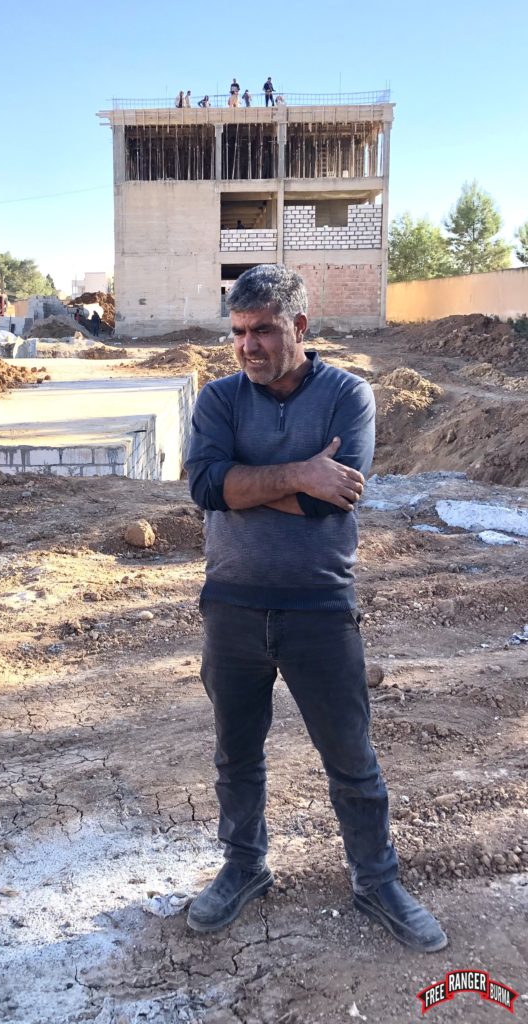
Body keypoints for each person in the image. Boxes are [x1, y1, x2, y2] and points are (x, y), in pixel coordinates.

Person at [184, 265, 448, 953]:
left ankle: (377, 880)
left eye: (264, 329)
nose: (248, 346)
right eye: (238, 332)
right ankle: (243, 866)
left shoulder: (347, 396)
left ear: (300, 327)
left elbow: (336, 495)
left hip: (320, 607)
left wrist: (252, 484)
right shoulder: (217, 400)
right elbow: (206, 486)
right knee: (236, 755)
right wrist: (301, 471)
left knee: (351, 758)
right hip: (232, 605)